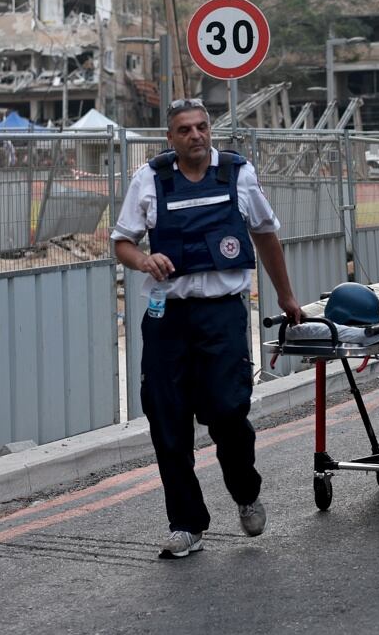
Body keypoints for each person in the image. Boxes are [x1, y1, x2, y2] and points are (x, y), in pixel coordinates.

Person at [111, 98, 304, 558]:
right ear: (170, 138)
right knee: (167, 420)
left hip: (222, 314)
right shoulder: (150, 179)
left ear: (210, 130)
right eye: (185, 129)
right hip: (167, 317)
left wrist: (286, 295)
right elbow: (121, 242)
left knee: (228, 412)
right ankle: (186, 524)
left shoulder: (238, 174)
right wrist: (144, 260)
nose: (195, 135)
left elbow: (265, 235)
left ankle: (245, 491)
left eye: (201, 127)